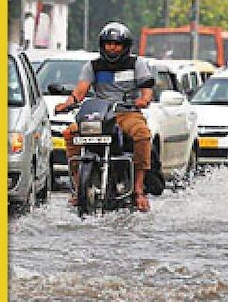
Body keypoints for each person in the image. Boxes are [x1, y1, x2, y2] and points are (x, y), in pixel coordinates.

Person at [56, 22, 155, 212]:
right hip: (100, 114)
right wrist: (68, 103)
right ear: (102, 45)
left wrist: (143, 100)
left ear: (125, 47)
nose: (112, 48)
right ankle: (78, 188)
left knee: (142, 134)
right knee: (70, 133)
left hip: (127, 113)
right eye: (108, 43)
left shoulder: (137, 64)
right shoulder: (93, 66)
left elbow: (147, 92)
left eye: (117, 44)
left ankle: (139, 189)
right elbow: (80, 91)